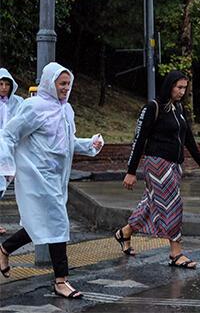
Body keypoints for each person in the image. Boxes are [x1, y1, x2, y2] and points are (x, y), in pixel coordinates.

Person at [0, 63, 103, 298]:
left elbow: (68, 142)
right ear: (50, 83)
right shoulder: (33, 107)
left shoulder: (66, 110)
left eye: (68, 84)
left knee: (40, 223)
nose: (66, 88)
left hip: (58, 178)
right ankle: (61, 280)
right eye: (61, 84)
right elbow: (8, 134)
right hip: (38, 177)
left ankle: (5, 249)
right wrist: (6, 164)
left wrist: (90, 145)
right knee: (58, 223)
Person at [117, 71, 200, 269]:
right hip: (157, 164)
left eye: (184, 88)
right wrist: (131, 171)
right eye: (178, 87)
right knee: (173, 205)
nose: (182, 91)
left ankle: (124, 233)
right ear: (169, 86)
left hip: (175, 165)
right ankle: (175, 253)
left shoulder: (178, 108)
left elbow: (187, 138)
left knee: (150, 204)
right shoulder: (153, 107)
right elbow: (139, 139)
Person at [0, 68, 24, 235]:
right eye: (0, 84)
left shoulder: (17, 102)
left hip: (11, 150)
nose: (3, 88)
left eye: (7, 84)